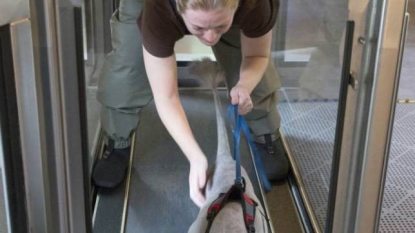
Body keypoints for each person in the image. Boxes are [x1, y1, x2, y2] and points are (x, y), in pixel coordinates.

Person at [92, 0, 289, 207]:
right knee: (130, 62)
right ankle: (118, 139)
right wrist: (195, 156)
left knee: (243, 57)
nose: (210, 38)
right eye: (199, 28)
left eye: (220, 26)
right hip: (153, 7)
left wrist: (244, 86)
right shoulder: (158, 11)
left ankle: (264, 130)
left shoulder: (255, 3)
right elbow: (167, 97)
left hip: (236, 9)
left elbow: (256, 54)